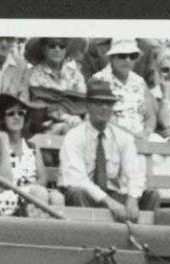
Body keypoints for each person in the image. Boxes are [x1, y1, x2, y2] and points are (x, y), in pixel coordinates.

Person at [58, 80, 153, 222]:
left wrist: (133, 199)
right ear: (88, 106)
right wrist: (108, 201)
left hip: (114, 194)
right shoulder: (74, 137)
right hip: (87, 196)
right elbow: (77, 179)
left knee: (152, 195)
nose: (104, 108)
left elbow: (134, 173)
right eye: (98, 103)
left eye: (109, 104)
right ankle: (88, 237)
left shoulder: (123, 137)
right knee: (76, 192)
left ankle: (137, 237)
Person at [0, 94, 64, 216]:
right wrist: (4, 146)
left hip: (31, 193)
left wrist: (28, 189)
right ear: (2, 117)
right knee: (39, 193)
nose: (17, 117)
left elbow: (43, 179)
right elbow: (5, 183)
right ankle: (36, 234)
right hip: (3, 199)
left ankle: (54, 234)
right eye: (11, 113)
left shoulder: (32, 147)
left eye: (21, 113)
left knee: (57, 197)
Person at [22, 38, 88, 135]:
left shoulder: (76, 75)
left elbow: (82, 104)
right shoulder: (32, 75)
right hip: (44, 127)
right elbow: (38, 106)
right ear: (44, 49)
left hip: (77, 123)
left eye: (62, 46)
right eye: (52, 45)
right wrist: (64, 117)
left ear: (66, 50)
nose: (57, 49)